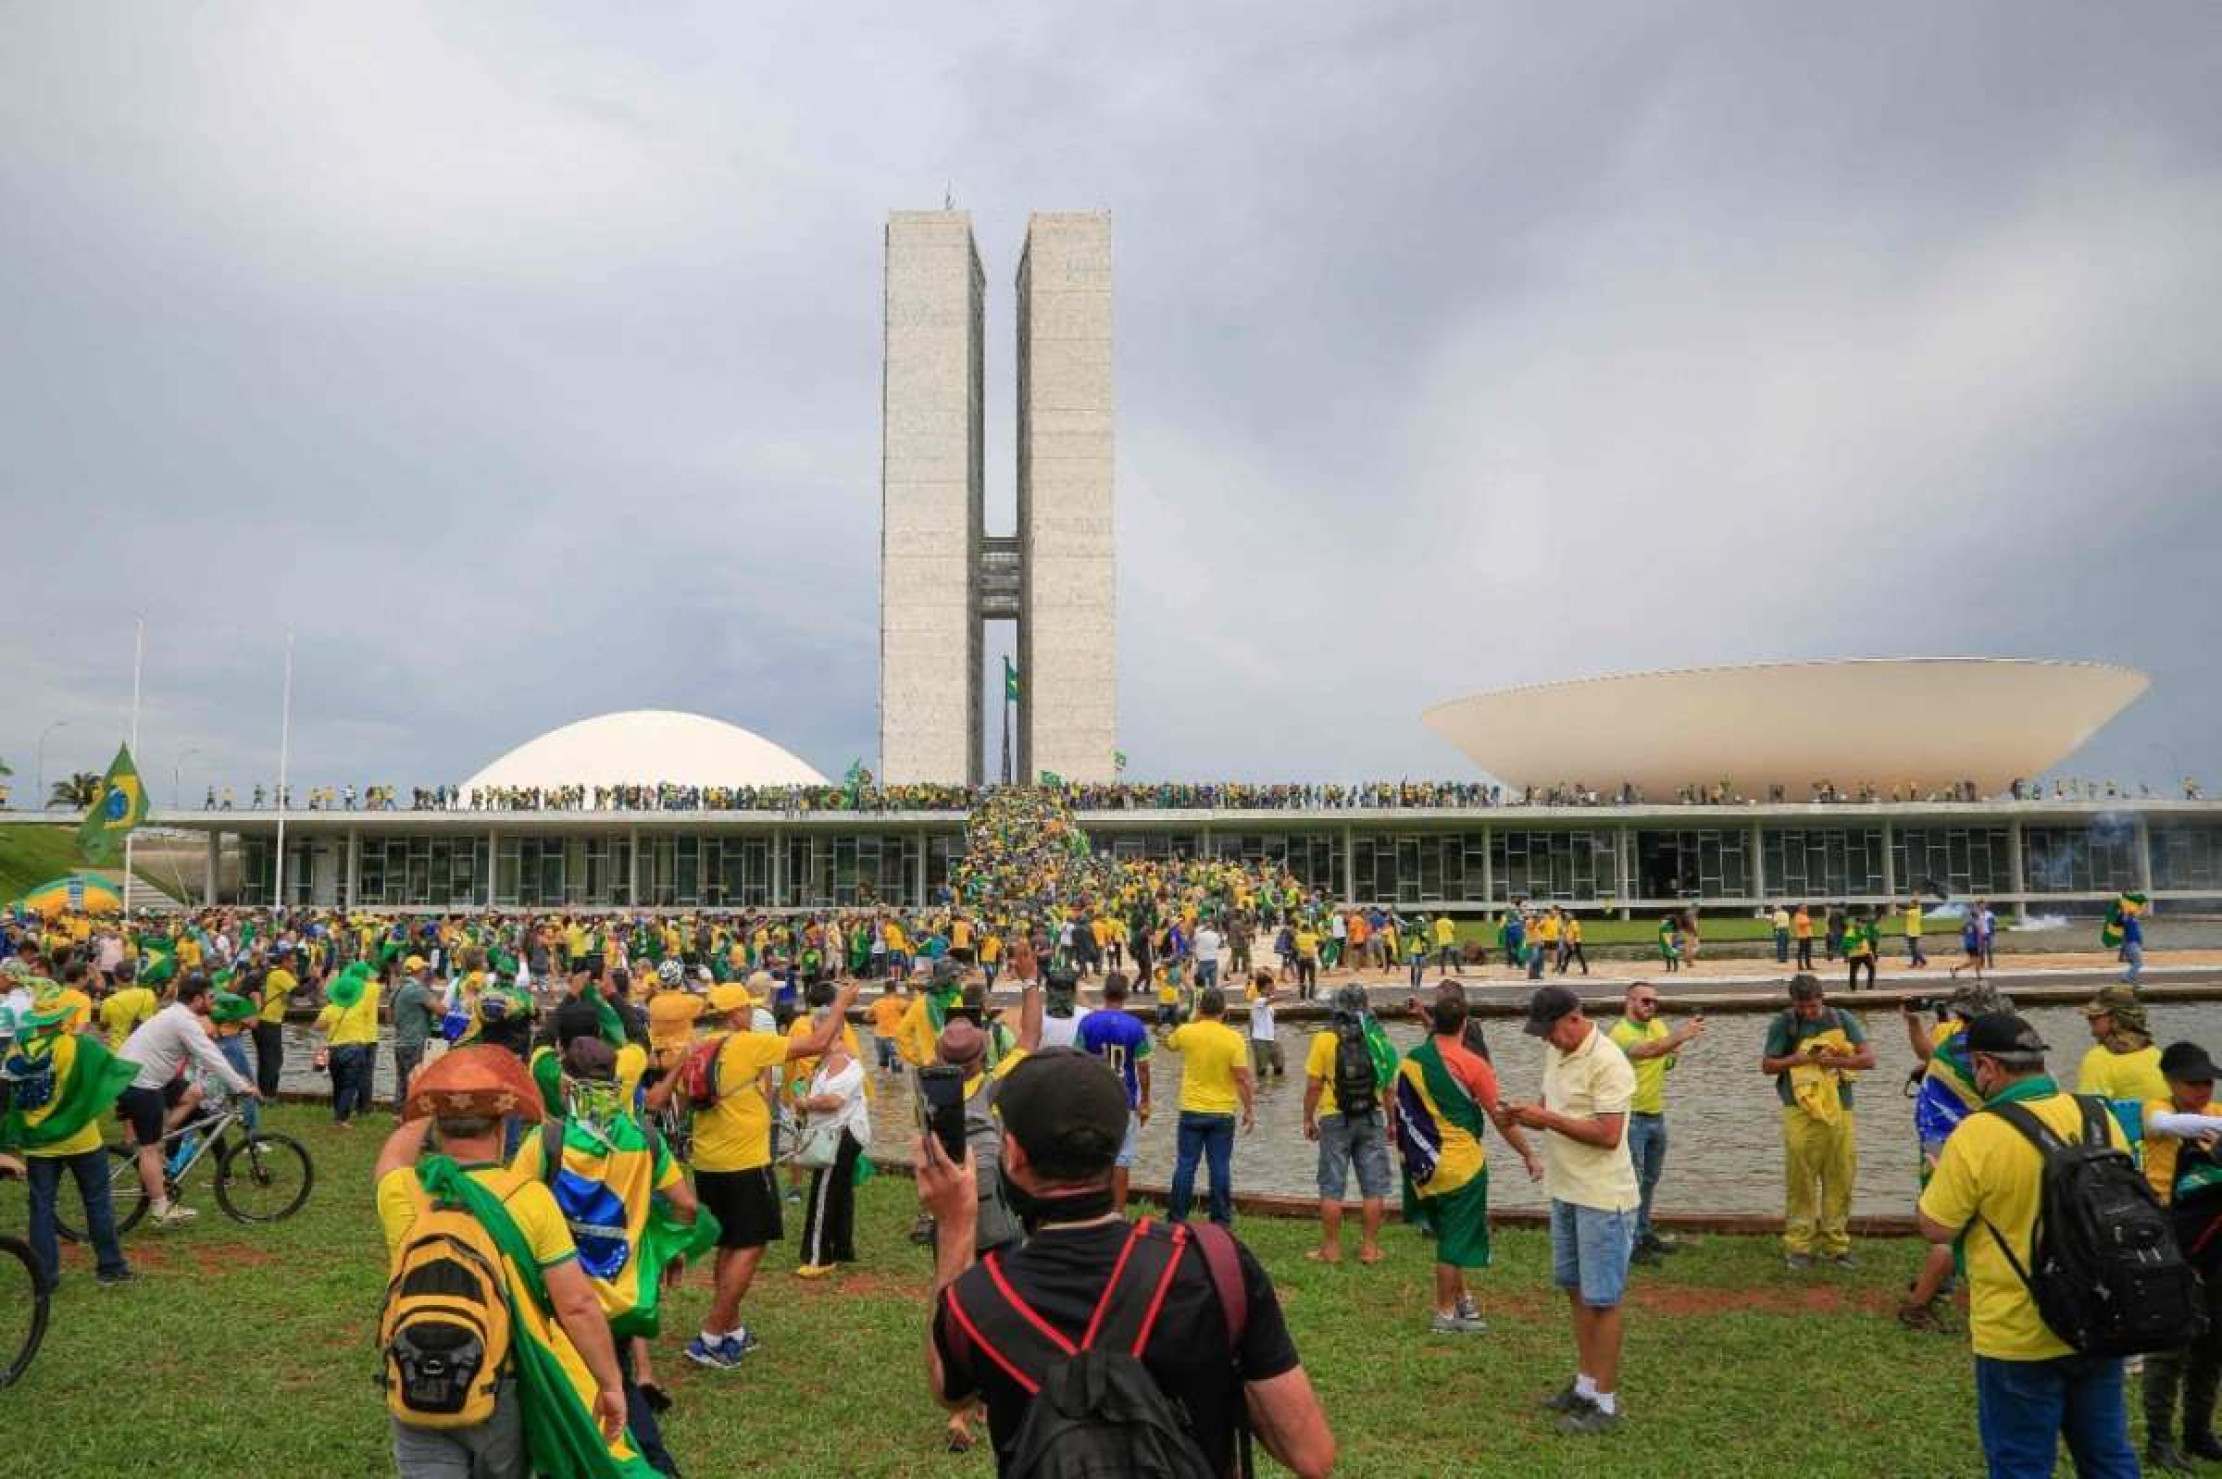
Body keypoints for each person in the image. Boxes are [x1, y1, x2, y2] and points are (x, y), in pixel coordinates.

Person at [920, 1047, 1337, 1479]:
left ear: (1013, 1155)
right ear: (1117, 1145)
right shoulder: (1215, 1263)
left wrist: (954, 1225)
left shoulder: (978, 1298)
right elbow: (1312, 1454)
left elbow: (949, 1392)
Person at [374, 1048, 634, 1478]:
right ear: (501, 1128)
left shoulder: (406, 1192)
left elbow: (392, 1161)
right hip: (499, 1382)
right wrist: (609, 1383)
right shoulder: (528, 1198)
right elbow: (577, 1306)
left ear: (437, 1129)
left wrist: (422, 1102)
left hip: (415, 1377)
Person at [1916, 1012, 2141, 1479]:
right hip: (2099, 1318)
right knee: (2108, 1457)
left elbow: (1936, 1227)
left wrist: (1941, 1175)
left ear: (1987, 1066)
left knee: (2021, 1464)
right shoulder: (2100, 1117)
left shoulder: (1979, 1133)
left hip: (2018, 1330)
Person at [511, 1037, 704, 1477]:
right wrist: (670, 1250)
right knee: (615, 1384)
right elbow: (686, 1205)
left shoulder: (548, 1140)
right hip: (619, 1298)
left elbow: (512, 1206)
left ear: (566, 1083)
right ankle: (656, 1465)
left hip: (557, 1299)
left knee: (561, 1398)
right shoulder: (645, 1139)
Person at [643, 976, 859, 1370]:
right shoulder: (747, 1045)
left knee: (730, 1243)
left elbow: (660, 1101)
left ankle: (732, 1330)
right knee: (752, 1244)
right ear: (738, 1013)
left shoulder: (696, 1048)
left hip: (708, 1163)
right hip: (744, 1163)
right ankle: (711, 1334)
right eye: (748, 1008)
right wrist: (841, 1004)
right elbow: (815, 1043)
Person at [1507, 986, 1641, 1436]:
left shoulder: (1609, 1062)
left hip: (1603, 1196)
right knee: (1576, 1290)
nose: (1548, 1041)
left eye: (1552, 1032)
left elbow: (1608, 1134)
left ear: (1574, 1018)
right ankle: (1585, 1386)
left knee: (1603, 1299)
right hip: (1565, 1189)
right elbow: (1553, 1105)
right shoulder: (1558, 1053)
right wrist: (1525, 1115)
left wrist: (1545, 1121)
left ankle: (1605, 1401)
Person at [1394, 981, 1541, 1333]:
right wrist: (1529, 1153)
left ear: (1434, 1021)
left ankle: (1463, 1302)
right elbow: (1501, 1119)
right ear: (1465, 1024)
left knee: (1450, 1236)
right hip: (1462, 1166)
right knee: (1455, 1243)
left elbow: (1400, 1108)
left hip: (1424, 1165)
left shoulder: (1413, 1060)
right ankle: (1445, 1313)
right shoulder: (1474, 1066)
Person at [2, 997, 135, 1292]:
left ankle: (45, 1278)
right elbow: (110, 1072)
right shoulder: (79, 1046)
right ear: (63, 1018)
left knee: (41, 1208)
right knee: (97, 1202)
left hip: (39, 1144)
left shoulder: (17, 1050)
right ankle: (111, 1268)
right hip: (82, 1139)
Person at [2137, 1041, 2222, 1473]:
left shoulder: (2214, 1115)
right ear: (2170, 1082)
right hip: (2167, 1232)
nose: (2204, 1090)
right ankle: (2158, 1439)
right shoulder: (2157, 1110)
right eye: (2194, 1083)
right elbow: (2166, 1123)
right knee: (2169, 1343)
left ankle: (2198, 1432)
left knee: (2213, 1342)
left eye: (2208, 1082)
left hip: (2213, 1237)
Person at [117, 973, 260, 1227]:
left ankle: (160, 1137)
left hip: (146, 1075)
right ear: (197, 999)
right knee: (148, 1149)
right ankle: (161, 1209)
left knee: (194, 1093)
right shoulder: (184, 1021)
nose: (213, 1002)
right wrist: (242, 1085)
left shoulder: (178, 1014)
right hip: (139, 1082)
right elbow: (211, 1056)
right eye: (210, 997)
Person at [1761, 974, 1874, 1269]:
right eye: (1803, 1007)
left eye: (1813, 1005)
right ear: (1794, 1003)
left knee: (1841, 1175)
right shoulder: (1784, 1024)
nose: (1810, 1012)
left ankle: (1837, 1244)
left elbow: (1868, 1060)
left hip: (1841, 1108)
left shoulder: (1842, 1019)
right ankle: (1799, 1246)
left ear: (1822, 998)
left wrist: (1834, 1061)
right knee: (1801, 1178)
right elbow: (1768, 1066)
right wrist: (1796, 1060)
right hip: (1799, 1109)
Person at [1606, 983, 1705, 1264]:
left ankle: (1643, 1231)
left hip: (1655, 1113)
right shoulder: (1620, 1033)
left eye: (1655, 1002)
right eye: (1645, 1001)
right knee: (1632, 1181)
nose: (1651, 1006)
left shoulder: (1659, 1026)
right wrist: (1680, 1036)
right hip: (1630, 1116)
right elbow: (1647, 1051)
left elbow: (1666, 1059)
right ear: (1629, 1002)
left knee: (1649, 1179)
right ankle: (1630, 1242)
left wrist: (1673, 1047)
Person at [1302, 985, 1395, 1266]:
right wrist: (1392, 1121)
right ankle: (1369, 1249)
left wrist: (1308, 1118)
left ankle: (1330, 1249)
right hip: (1371, 1115)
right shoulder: (1378, 1039)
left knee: (1332, 1185)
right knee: (1373, 1186)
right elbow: (1389, 1088)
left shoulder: (1324, 1039)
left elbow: (1314, 1086)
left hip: (1334, 1116)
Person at [794, 985, 870, 1278]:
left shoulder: (841, 1059)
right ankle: (841, 1247)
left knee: (824, 1193)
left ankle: (818, 1256)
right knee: (839, 1191)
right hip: (837, 1133)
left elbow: (833, 1100)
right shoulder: (827, 1060)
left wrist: (805, 1102)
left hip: (840, 1135)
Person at [1164, 986, 1254, 1227]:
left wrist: (1193, 1020)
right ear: (1224, 1011)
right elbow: (1243, 1078)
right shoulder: (1234, 1038)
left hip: (1192, 1108)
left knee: (1185, 1164)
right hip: (1222, 1111)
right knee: (1220, 1166)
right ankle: (1221, 1219)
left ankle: (1177, 1217)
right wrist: (1249, 1109)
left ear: (1201, 1009)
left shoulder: (1186, 1032)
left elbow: (1168, 1043)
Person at [1075, 971, 1152, 1216]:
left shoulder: (1087, 1023)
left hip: (1095, 1096)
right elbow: (1143, 1069)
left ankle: (1092, 1209)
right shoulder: (1136, 1027)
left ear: (1105, 993)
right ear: (1126, 995)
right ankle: (1117, 1212)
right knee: (1122, 1157)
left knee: (1094, 1155)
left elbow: (1078, 1060)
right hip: (1124, 1098)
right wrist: (1145, 1101)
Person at [2076, 985, 2167, 1148]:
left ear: (2116, 1020)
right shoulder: (2156, 1054)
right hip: (2162, 1149)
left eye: (2094, 1019)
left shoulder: (2099, 1058)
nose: (2091, 1028)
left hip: (2125, 1154)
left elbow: (2089, 1114)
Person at [314, 961, 383, 1127]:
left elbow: (317, 1026)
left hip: (334, 1049)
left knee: (338, 1082)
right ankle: (346, 1116)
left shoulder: (331, 1008)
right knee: (352, 1082)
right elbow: (376, 979)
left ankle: (339, 1112)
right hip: (358, 1045)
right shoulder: (367, 996)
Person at [389, 958, 439, 1117]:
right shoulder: (417, 989)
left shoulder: (397, 989)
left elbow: (388, 1017)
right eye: (424, 969)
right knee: (416, 1082)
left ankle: (398, 1115)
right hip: (415, 1042)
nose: (426, 972)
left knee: (402, 1082)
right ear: (419, 971)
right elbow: (441, 1009)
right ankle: (414, 1118)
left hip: (400, 1041)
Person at [254, 946, 297, 1096]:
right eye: (293, 961)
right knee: (273, 1060)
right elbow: (298, 991)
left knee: (266, 1060)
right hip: (269, 1022)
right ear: (284, 962)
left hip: (265, 1022)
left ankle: (265, 1093)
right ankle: (269, 1095)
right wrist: (316, 979)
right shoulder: (280, 974)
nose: (296, 964)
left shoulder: (275, 973)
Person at [1247, 968, 1286, 1080]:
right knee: (1262, 1071)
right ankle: (1261, 1092)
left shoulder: (1268, 1006)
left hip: (1271, 1039)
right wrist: (1287, 995)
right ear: (1263, 989)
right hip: (1260, 1040)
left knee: (1279, 1067)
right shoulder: (1258, 1002)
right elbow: (1251, 1022)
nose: (1273, 989)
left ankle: (1272, 1093)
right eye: (1270, 987)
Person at [1904, 897, 1929, 968]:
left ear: (1914, 904)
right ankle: (1914, 963)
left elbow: (1904, 913)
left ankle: (1923, 961)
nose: (1910, 904)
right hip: (1915, 932)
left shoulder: (1913, 911)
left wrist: (1894, 906)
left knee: (1913, 949)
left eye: (1911, 903)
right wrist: (1916, 897)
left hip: (1912, 933)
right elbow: (1918, 903)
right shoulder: (1919, 910)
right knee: (1913, 948)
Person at [1793, 903, 1815, 971]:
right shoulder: (1797, 915)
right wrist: (1809, 922)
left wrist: (1810, 922)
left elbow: (1808, 923)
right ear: (1800, 909)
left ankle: (1808, 965)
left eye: (1806, 908)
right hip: (1802, 936)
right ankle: (1800, 966)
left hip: (1808, 935)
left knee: (1808, 951)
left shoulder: (1805, 915)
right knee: (1801, 951)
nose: (1806, 909)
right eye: (1804, 908)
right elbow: (1800, 923)